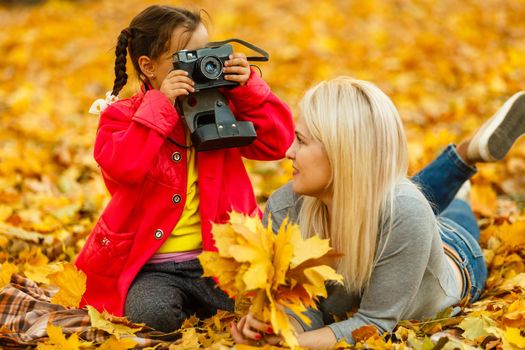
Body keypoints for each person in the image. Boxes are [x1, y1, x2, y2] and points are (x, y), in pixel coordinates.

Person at [231, 76, 525, 348]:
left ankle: (461, 175)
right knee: (398, 197)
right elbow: (300, 306)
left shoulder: (406, 212)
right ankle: (459, 163)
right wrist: (280, 328)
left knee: (432, 210)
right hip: (393, 210)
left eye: (302, 141)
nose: (288, 152)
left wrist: (294, 344)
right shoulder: (284, 207)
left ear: (341, 152)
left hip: (454, 255)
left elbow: (374, 323)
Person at [74, 5, 294, 333]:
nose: (199, 65)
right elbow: (123, 169)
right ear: (148, 67)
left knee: (265, 308)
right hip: (155, 268)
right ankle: (186, 310)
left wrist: (248, 89)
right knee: (149, 315)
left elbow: (276, 143)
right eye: (185, 58)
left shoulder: (224, 102)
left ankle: (202, 309)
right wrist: (160, 108)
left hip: (223, 261)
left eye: (203, 54)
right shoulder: (121, 116)